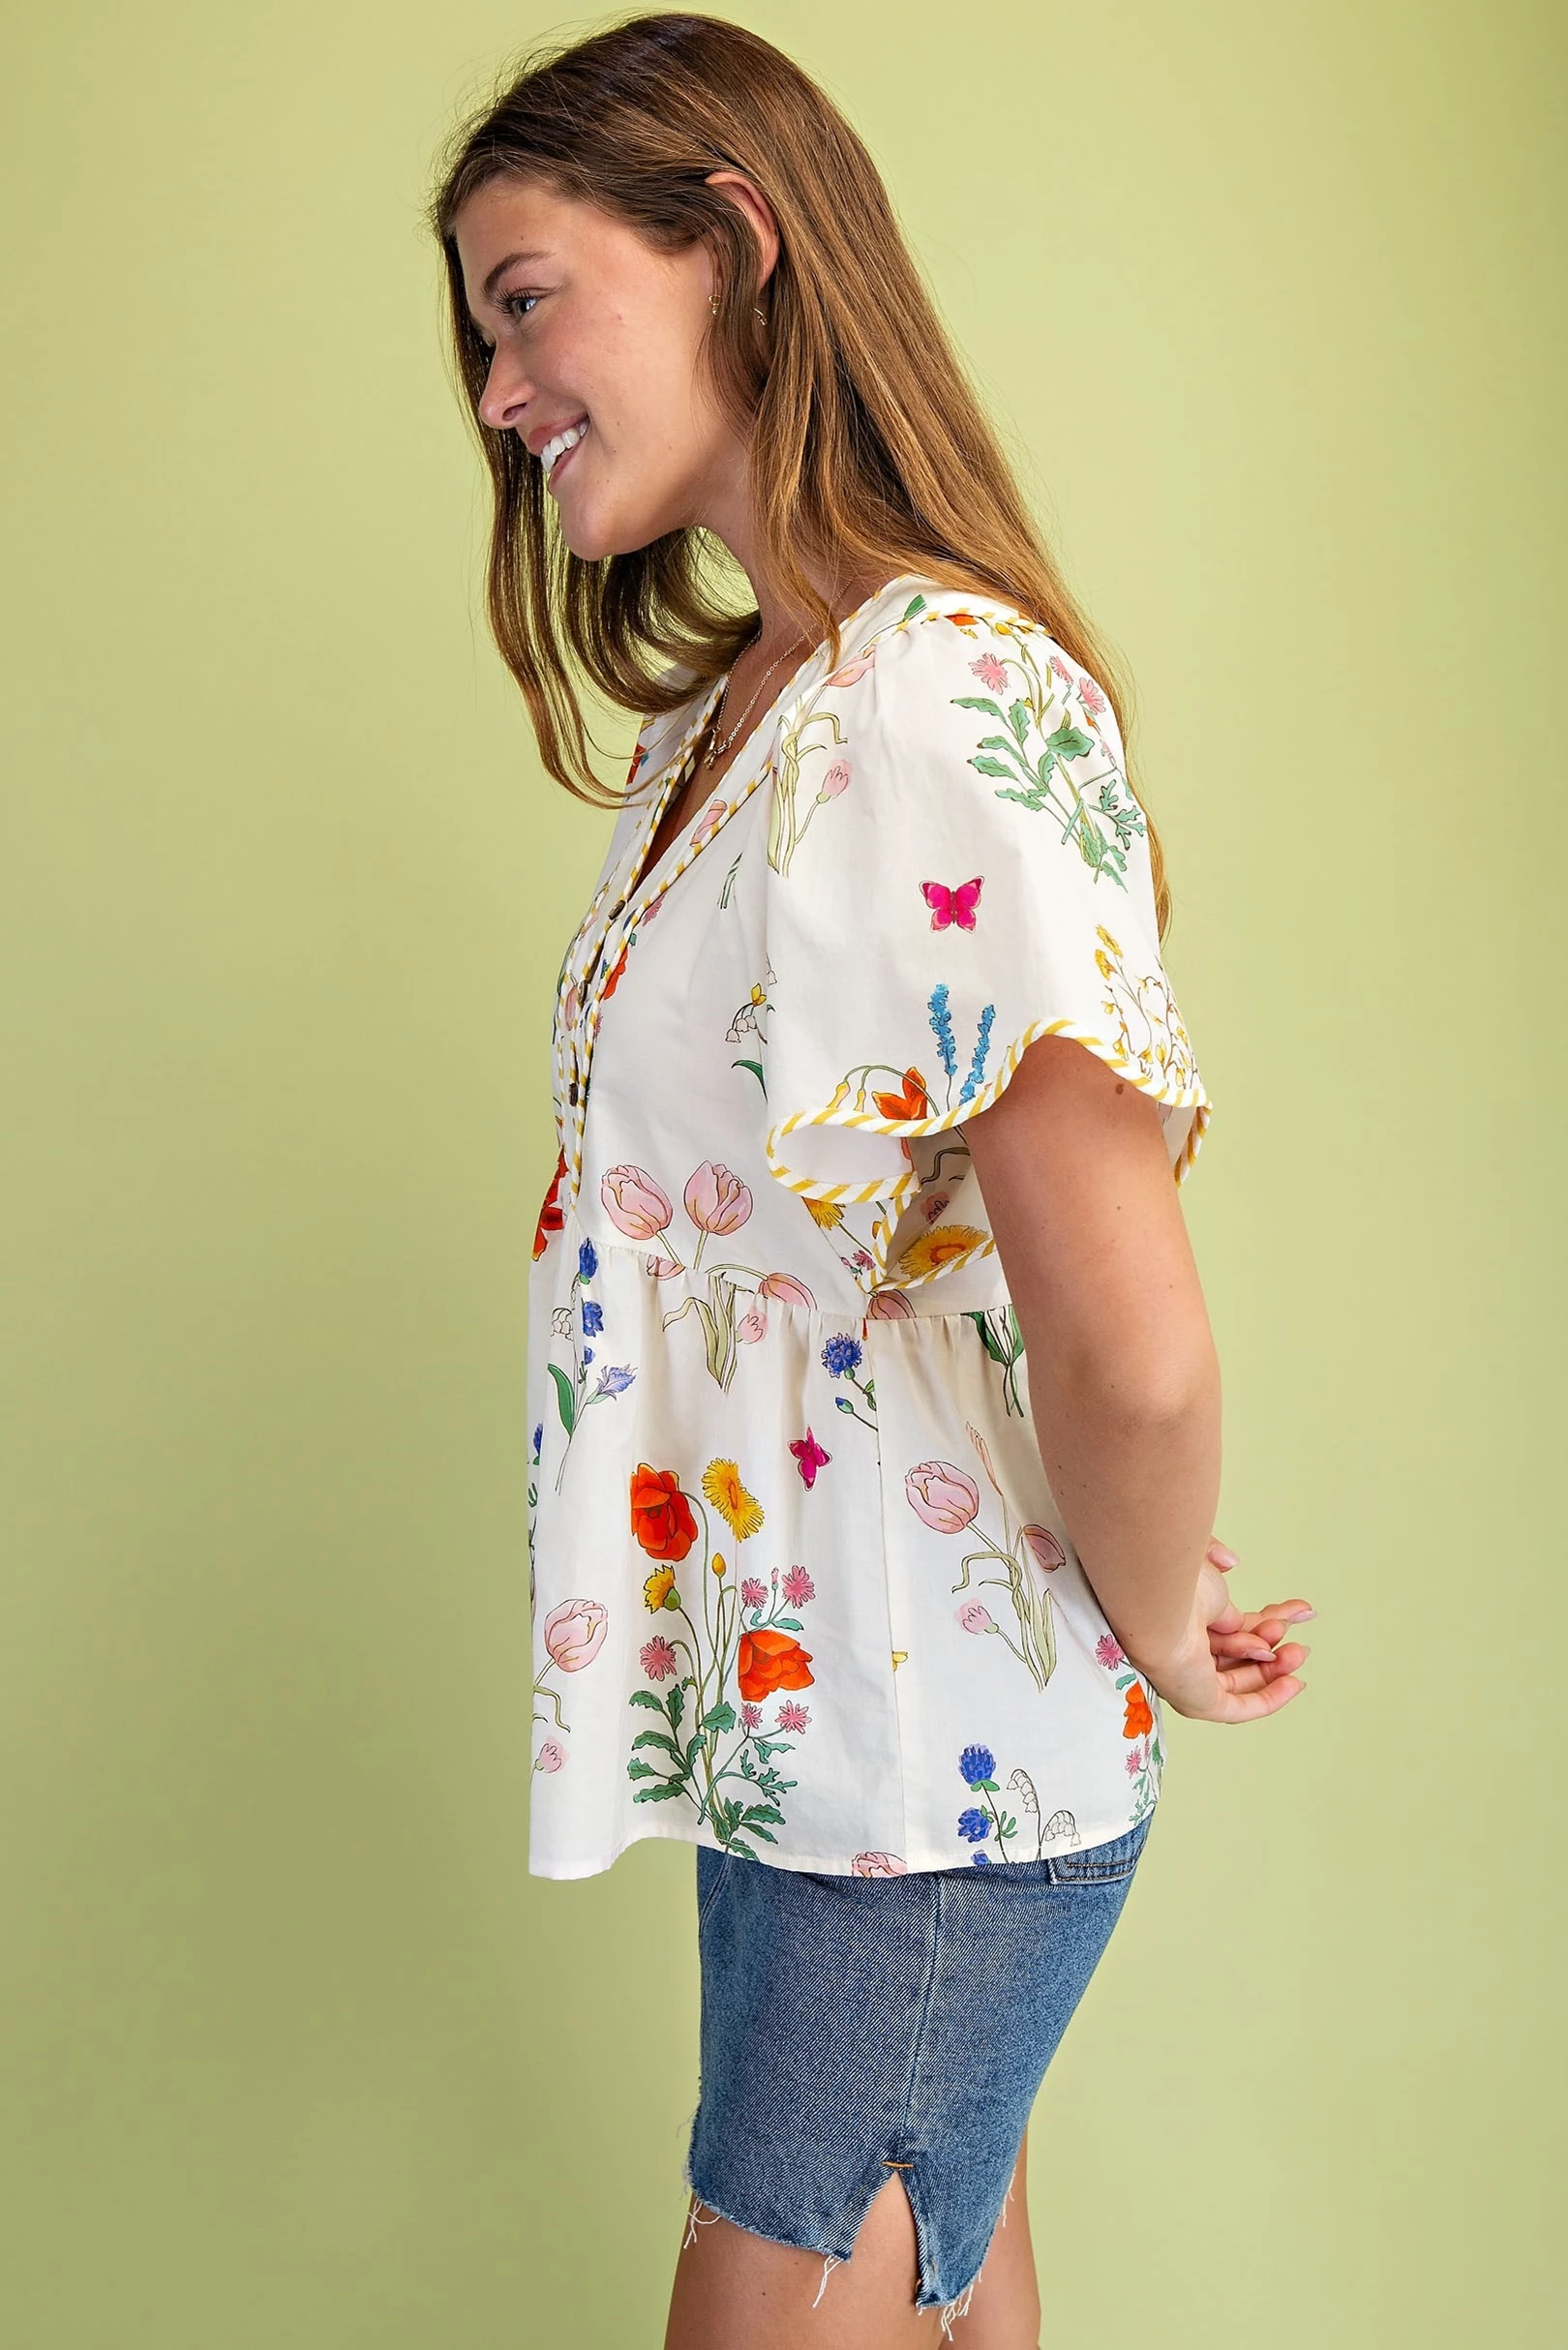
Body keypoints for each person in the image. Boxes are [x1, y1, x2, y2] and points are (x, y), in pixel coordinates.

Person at [430, 14, 1314, 2346]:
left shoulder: (937, 698)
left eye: (525, 302)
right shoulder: (735, 719)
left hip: (926, 1767)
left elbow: (1133, 1339)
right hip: (808, 1728)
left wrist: (1148, 1620)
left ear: (734, 239)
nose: (496, 391)